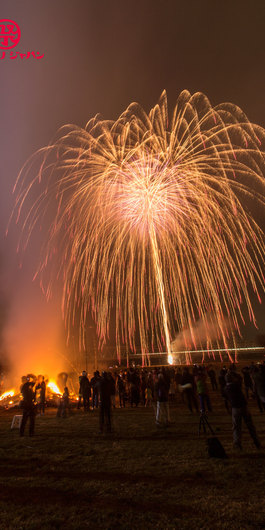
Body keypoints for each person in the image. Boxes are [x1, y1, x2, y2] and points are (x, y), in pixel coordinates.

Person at [224, 371, 260, 450]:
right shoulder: (236, 385)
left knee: (236, 427)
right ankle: (256, 441)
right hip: (243, 407)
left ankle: (237, 444)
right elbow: (240, 378)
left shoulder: (226, 389)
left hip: (235, 409)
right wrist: (234, 373)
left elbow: (226, 399)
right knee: (250, 425)